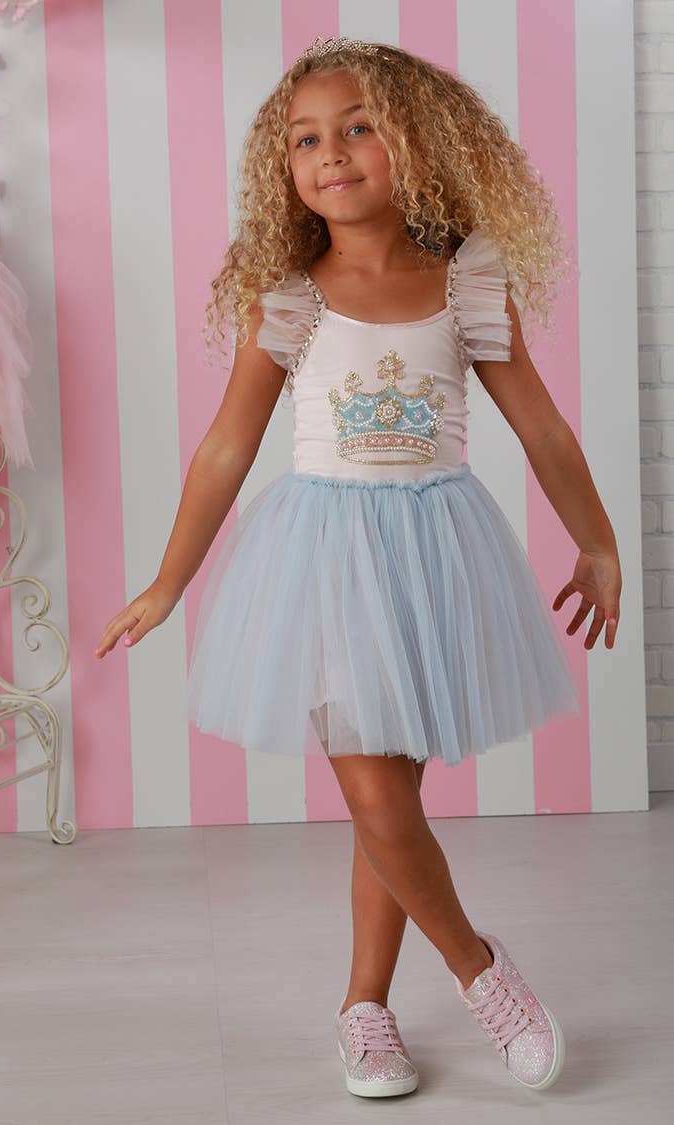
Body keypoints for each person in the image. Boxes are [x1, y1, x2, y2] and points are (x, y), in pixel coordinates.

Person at [96, 36, 622, 1099]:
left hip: (435, 555)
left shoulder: (467, 278)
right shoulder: (290, 294)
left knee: (392, 802)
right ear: (281, 164)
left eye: (357, 127)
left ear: (413, 142)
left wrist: (599, 540)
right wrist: (169, 580)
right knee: (376, 789)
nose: (329, 153)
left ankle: (364, 1009)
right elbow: (227, 447)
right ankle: (481, 972)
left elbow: (542, 427)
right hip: (325, 559)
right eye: (304, 139)